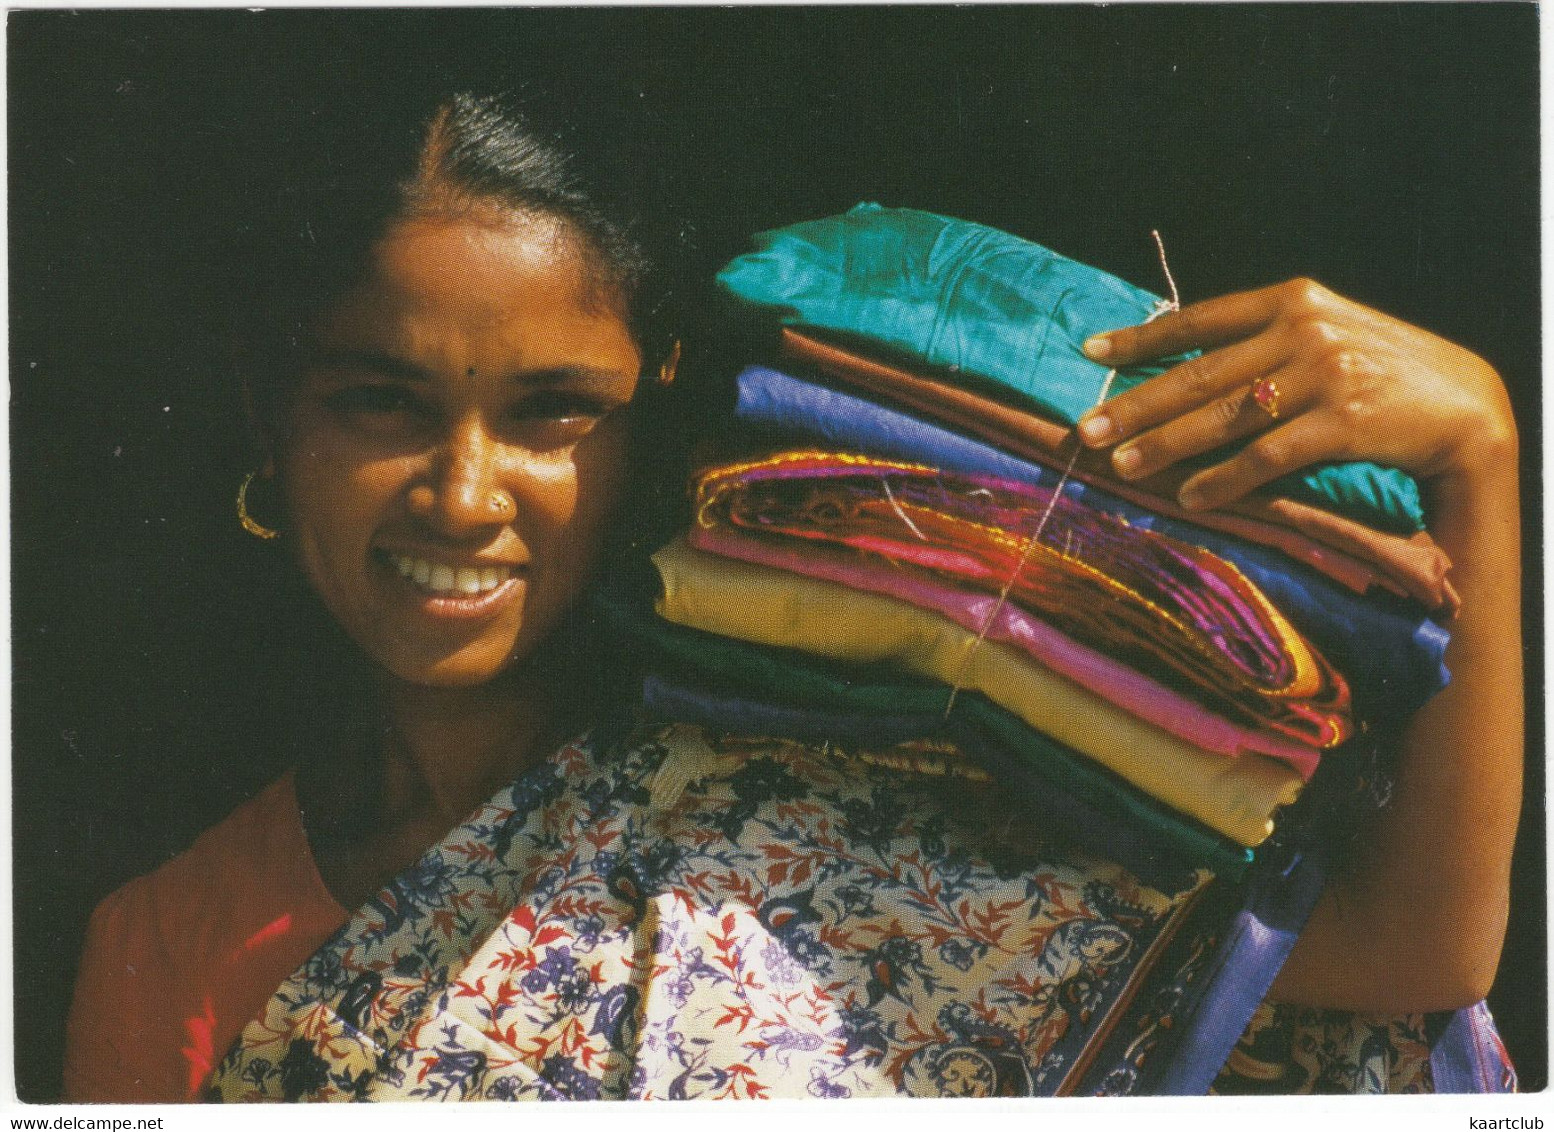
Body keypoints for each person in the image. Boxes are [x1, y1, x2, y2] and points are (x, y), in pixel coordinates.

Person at [62, 92, 1521, 1101]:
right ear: (276, 417)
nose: (461, 490)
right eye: (381, 400)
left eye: (554, 411)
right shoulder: (173, 945)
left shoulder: (860, 773)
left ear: (665, 421)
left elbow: (1408, 963)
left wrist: (1477, 454)